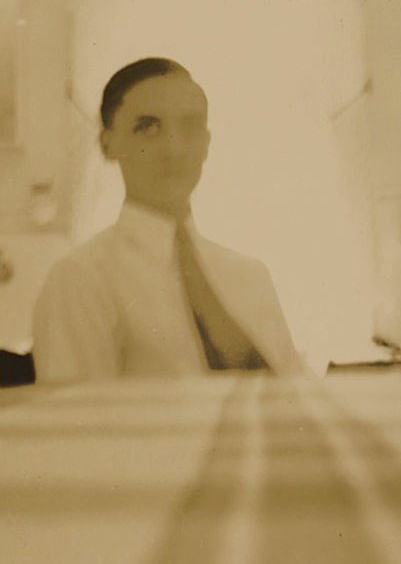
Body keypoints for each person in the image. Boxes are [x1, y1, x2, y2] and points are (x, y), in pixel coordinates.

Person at [32, 58, 303, 383]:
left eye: (190, 126)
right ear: (108, 145)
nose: (173, 149)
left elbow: (295, 402)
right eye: (148, 127)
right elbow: (81, 425)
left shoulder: (250, 275)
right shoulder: (80, 280)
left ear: (206, 144)